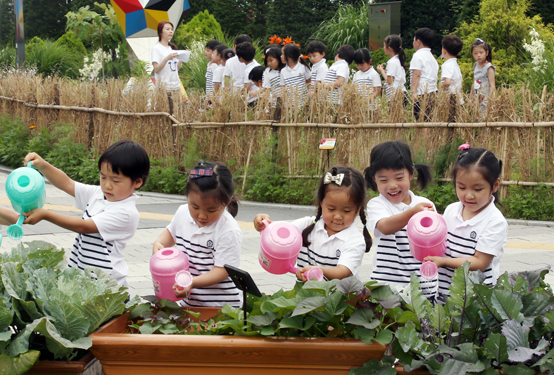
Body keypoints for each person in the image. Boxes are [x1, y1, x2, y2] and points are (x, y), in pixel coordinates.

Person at [23, 141, 150, 290]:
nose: (107, 185)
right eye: (103, 177)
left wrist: (45, 214)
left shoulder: (126, 213)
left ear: (137, 182)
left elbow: (83, 226)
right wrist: (43, 165)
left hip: (107, 287)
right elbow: (67, 184)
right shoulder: (98, 194)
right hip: (84, 281)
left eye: (116, 180)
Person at [254, 166, 372, 281]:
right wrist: (264, 225)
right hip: (307, 297)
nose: (337, 216)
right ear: (321, 202)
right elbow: (279, 236)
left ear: (358, 209)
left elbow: (342, 271)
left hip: (340, 299)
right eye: (331, 209)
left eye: (346, 211)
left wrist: (318, 271)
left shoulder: (355, 240)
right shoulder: (307, 225)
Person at [152, 161, 242, 307]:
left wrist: (191, 282)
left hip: (221, 308)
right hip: (189, 302)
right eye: (194, 207)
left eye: (211, 210)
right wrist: (159, 244)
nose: (202, 216)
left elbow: (222, 271)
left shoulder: (228, 230)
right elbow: (169, 234)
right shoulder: (182, 213)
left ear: (227, 202)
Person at [424, 144, 507, 299]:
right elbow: (440, 241)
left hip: (477, 299)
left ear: (495, 185)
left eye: (477, 190)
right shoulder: (451, 210)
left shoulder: (495, 222)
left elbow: (480, 262)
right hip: (446, 291)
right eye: (462, 187)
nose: (468, 196)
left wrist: (443, 261)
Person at [364, 141, 437, 300]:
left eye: (399, 177)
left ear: (411, 174)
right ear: (374, 179)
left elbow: (435, 244)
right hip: (386, 288)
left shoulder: (425, 205)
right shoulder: (377, 204)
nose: (392, 185)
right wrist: (411, 213)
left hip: (422, 287)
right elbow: (384, 227)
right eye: (383, 180)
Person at [410, 28, 439, 121]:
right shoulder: (432, 57)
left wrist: (413, 92)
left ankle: (424, 136)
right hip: (433, 92)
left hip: (422, 94)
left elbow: (416, 74)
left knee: (422, 121)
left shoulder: (417, 55)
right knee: (429, 120)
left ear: (418, 42)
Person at [151, 21, 182, 93]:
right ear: (160, 32)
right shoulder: (156, 48)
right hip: (164, 88)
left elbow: (176, 68)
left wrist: (181, 59)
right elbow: (156, 69)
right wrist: (166, 59)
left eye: (171, 29)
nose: (170, 31)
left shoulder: (172, 48)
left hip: (176, 87)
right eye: (167, 29)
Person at [376, 35, 407, 104]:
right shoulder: (398, 60)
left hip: (395, 94)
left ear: (389, 48)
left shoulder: (391, 62)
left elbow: (389, 81)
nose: (383, 48)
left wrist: (382, 71)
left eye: (384, 46)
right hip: (402, 92)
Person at [440, 35, 464, 122]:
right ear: (458, 53)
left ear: (444, 50)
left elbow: (447, 82)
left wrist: (439, 88)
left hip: (450, 100)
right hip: (458, 99)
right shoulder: (455, 64)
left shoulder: (447, 65)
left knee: (448, 123)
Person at [280, 43, 311, 108]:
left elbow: (309, 84)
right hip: (289, 106)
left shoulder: (303, 68)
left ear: (289, 56)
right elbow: (283, 88)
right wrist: (286, 101)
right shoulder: (283, 71)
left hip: (303, 104)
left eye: (282, 54)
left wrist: (307, 99)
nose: (281, 56)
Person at [470, 39, 496, 112]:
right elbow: (474, 82)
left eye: (481, 52)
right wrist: (471, 97)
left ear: (487, 53)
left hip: (485, 98)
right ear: (472, 54)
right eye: (475, 53)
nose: (478, 55)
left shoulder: (489, 67)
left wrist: (492, 100)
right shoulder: (475, 66)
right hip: (476, 97)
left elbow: (492, 85)